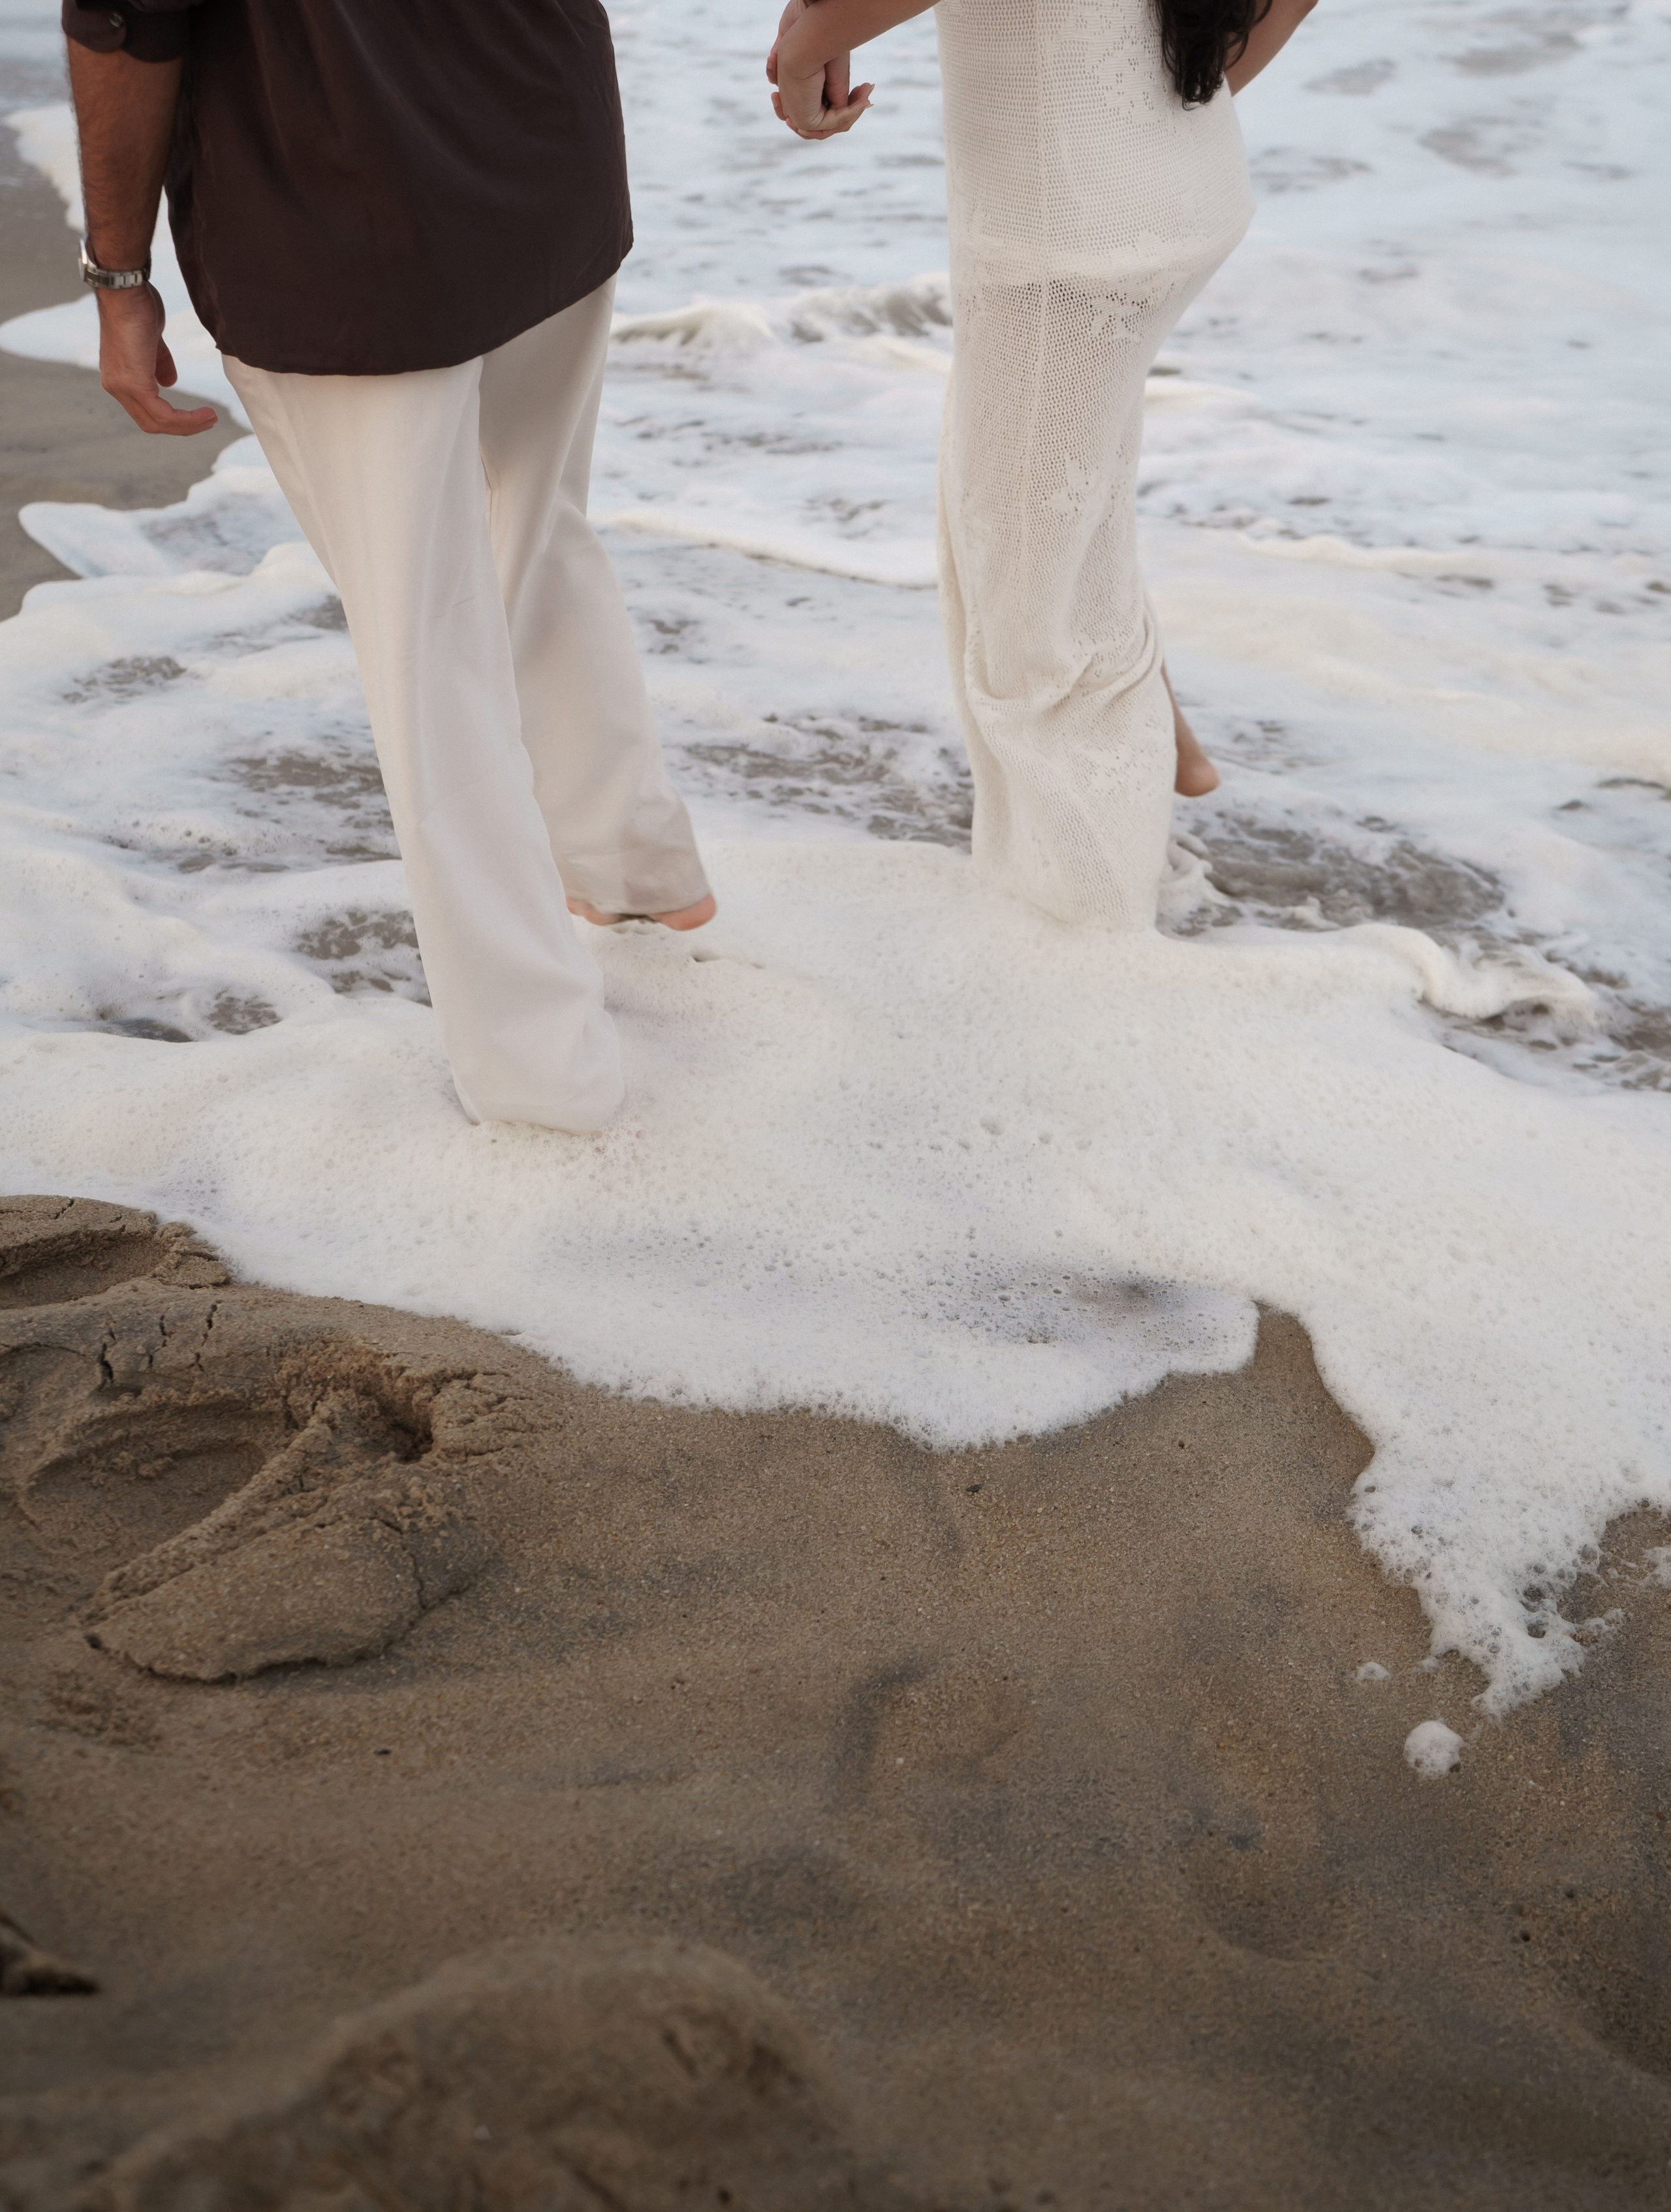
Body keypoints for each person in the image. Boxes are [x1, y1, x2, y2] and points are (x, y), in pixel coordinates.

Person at [62, 0, 715, 1133]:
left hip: (341, 211)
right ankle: (635, 869)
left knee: (427, 650)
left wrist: (119, 276)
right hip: (546, 146)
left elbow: (124, 23)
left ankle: (545, 1086)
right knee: (540, 521)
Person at [770, 0, 1318, 928]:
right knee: (1058, 517)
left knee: (1028, 618)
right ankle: (1168, 753)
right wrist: (1167, 91)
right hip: (1167, 185)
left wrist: (806, 53)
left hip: (1064, 235)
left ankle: (1088, 936)